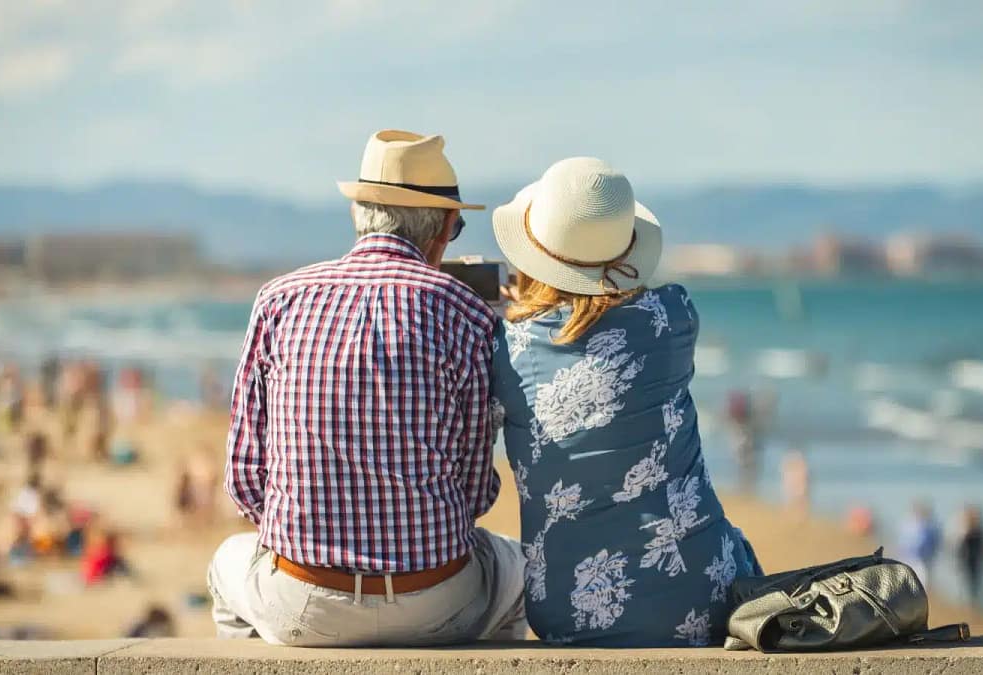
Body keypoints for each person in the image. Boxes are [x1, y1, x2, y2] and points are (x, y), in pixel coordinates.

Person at [207, 130, 525, 647]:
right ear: (445, 227)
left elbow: (245, 481)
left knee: (227, 563)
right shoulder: (466, 313)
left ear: (359, 214)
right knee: (514, 569)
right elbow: (474, 493)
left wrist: (312, 535)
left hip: (304, 602)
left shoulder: (279, 299)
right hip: (435, 600)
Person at [490, 157, 761, 646]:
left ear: (535, 253)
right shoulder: (674, 316)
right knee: (736, 544)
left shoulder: (506, 347)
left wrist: (515, 308)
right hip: (701, 593)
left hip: (568, 608)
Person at [899, 501, 942, 588]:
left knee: (923, 582)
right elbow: (904, 543)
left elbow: (934, 543)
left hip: (925, 560)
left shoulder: (930, 527)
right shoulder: (908, 525)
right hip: (910, 559)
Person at [954, 504, 983, 607]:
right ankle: (966, 601)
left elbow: (982, 545)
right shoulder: (965, 529)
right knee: (965, 581)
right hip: (966, 559)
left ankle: (974, 601)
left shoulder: (979, 529)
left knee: (975, 581)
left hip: (975, 559)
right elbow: (959, 545)